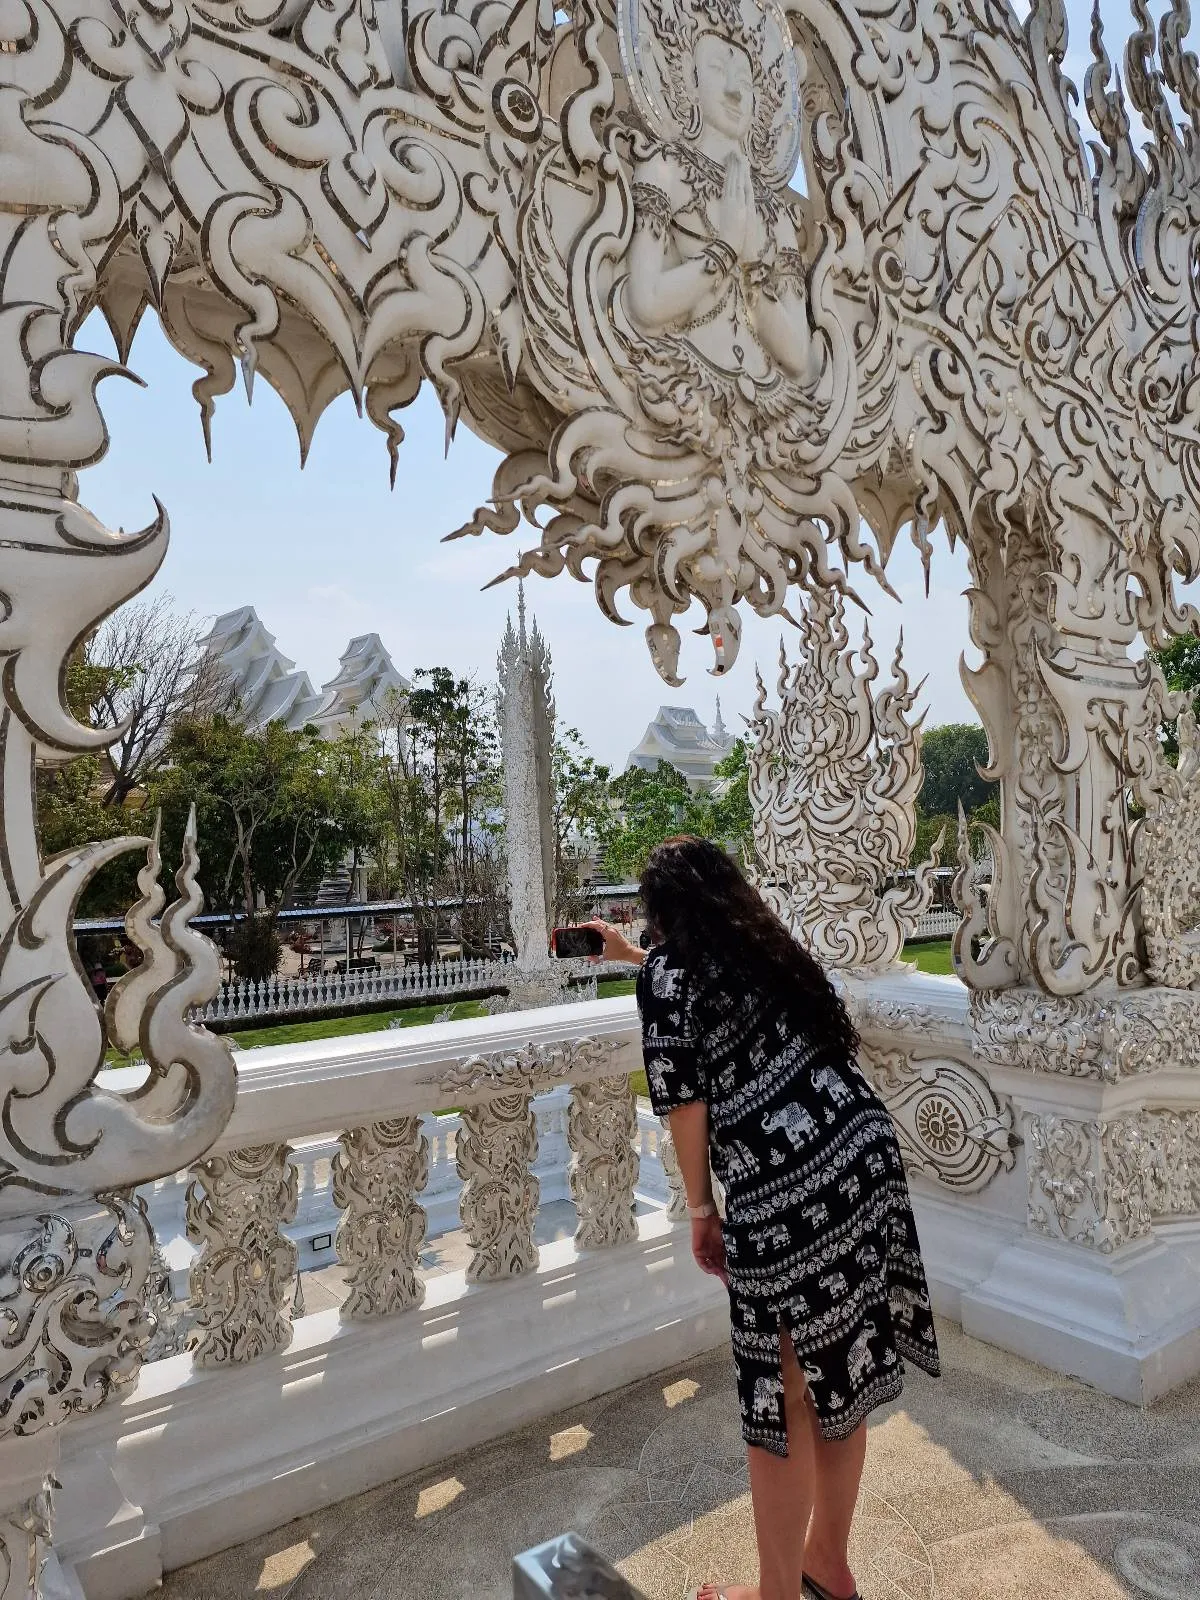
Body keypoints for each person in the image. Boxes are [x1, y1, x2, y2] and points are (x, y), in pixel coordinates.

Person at [587, 836, 940, 1600]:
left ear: (664, 912)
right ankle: (827, 1564)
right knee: (836, 1364)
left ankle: (778, 1592)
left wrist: (699, 1209)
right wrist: (627, 957)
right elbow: (700, 991)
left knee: (780, 1387)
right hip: (863, 1158)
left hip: (788, 1190)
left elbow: (683, 1103)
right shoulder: (768, 949)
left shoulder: (676, 978)